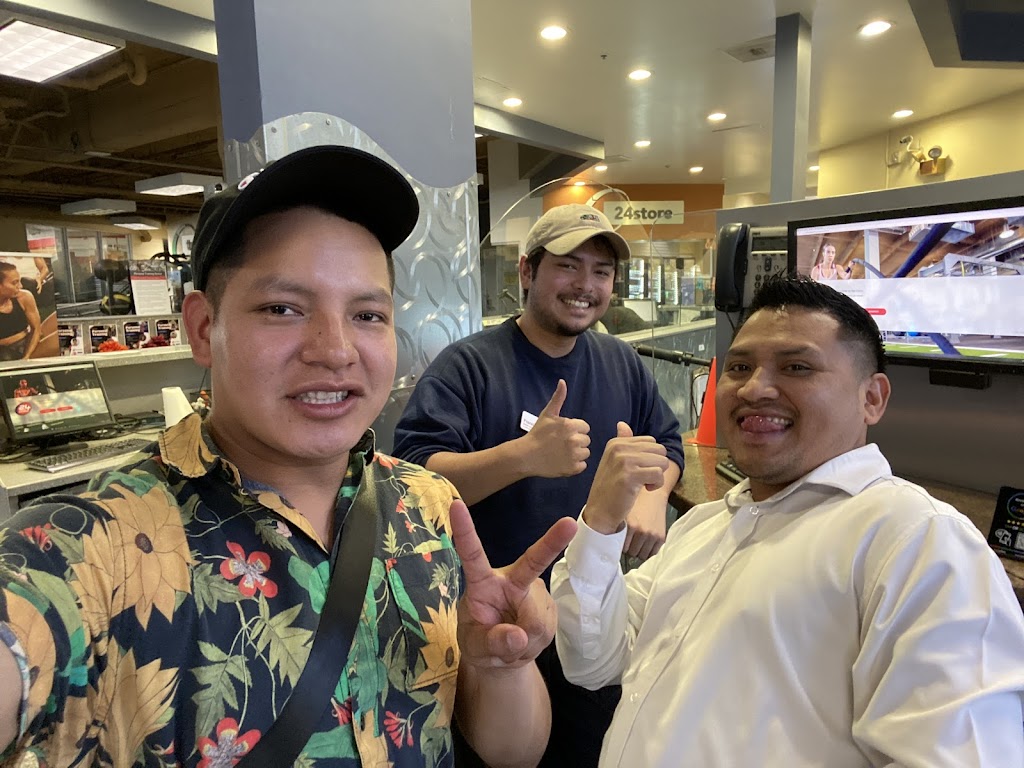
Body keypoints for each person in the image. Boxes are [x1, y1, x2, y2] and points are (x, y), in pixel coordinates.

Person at [0, 145, 574, 768]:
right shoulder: (93, 546)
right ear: (203, 328)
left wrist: (500, 667)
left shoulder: (428, 507)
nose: (335, 349)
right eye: (282, 309)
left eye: (367, 314)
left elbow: (515, 753)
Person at [552, 275, 1024, 767]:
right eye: (739, 367)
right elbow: (593, 661)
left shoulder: (917, 541)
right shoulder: (706, 526)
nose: (754, 387)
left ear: (872, 398)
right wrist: (601, 522)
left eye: (797, 367)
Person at [393, 203, 684, 767]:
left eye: (601, 271)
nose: (586, 285)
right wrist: (522, 456)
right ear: (527, 271)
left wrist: (653, 498)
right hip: (496, 618)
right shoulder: (468, 365)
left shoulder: (620, 362)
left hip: (591, 614)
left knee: (590, 748)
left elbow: (667, 444)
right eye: (568, 266)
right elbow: (412, 480)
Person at [0, 263, 41, 361]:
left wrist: (26, 357)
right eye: (14, 283)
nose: (20, 286)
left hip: (27, 343)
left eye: (19, 281)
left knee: (56, 326)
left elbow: (36, 329)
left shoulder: (24, 297)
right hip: (4, 353)